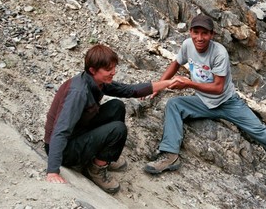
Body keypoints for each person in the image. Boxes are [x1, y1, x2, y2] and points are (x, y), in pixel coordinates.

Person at [144, 14, 266, 184]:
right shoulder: (187, 45)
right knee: (174, 105)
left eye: (204, 33)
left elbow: (218, 87)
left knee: (259, 131)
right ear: (190, 32)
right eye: (195, 32)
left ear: (211, 35)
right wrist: (160, 85)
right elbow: (176, 63)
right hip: (202, 102)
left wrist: (189, 84)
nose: (199, 37)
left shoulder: (219, 53)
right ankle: (170, 155)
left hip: (227, 102)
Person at [44, 44, 179, 194]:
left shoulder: (96, 82)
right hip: (64, 150)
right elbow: (61, 130)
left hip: (78, 133)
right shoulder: (78, 92)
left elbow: (130, 90)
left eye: (114, 68)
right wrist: (53, 171)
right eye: (108, 70)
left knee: (117, 106)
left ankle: (101, 157)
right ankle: (96, 169)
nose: (113, 73)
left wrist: (167, 83)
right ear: (93, 70)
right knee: (118, 129)